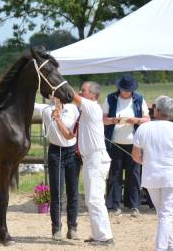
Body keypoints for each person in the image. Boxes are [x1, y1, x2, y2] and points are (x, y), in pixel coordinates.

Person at [132, 95, 173, 251]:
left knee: (163, 215)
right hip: (172, 177)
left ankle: (172, 248)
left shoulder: (143, 128)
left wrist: (148, 163)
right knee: (166, 215)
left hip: (151, 177)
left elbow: (136, 156)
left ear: (156, 110)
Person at [71, 81, 114, 246]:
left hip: (95, 158)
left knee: (95, 199)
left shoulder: (92, 106)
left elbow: (71, 95)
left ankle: (104, 237)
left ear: (93, 95)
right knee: (92, 199)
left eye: (83, 90)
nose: (80, 92)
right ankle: (99, 235)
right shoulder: (87, 108)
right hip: (90, 158)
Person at [102, 75, 151, 217]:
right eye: (123, 89)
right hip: (114, 143)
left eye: (128, 90)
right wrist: (114, 120)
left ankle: (134, 205)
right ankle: (114, 205)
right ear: (119, 88)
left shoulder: (139, 99)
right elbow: (103, 120)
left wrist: (136, 120)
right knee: (115, 174)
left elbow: (147, 120)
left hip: (134, 144)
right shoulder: (110, 98)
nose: (126, 92)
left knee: (134, 175)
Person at [34, 96, 80, 241]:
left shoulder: (73, 109)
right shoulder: (46, 109)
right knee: (56, 192)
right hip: (55, 152)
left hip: (72, 151)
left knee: (73, 191)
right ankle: (56, 229)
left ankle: (72, 228)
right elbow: (30, 103)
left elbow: (77, 128)